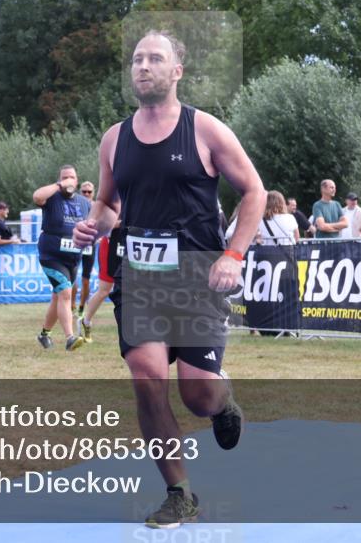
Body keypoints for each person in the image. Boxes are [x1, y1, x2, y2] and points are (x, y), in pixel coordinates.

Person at [73, 30, 265, 529]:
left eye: (155, 59)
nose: (143, 66)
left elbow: (255, 192)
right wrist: (93, 225)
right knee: (147, 380)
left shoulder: (205, 130)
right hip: (139, 281)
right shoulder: (115, 138)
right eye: (137, 58)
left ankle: (222, 399)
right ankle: (179, 492)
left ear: (177, 71)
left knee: (197, 395)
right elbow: (109, 204)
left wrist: (234, 255)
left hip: (198, 278)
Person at [34, 166, 91, 351]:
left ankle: (44, 334)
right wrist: (59, 185)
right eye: (65, 177)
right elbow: (37, 197)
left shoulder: (84, 202)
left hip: (73, 258)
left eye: (71, 177)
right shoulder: (52, 197)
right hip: (51, 255)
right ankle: (70, 338)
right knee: (66, 293)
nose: (68, 180)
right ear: (59, 179)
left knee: (58, 296)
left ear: (77, 180)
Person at [79, 219, 125, 343]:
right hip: (111, 247)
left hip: (130, 246)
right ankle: (86, 321)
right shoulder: (116, 206)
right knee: (104, 291)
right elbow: (105, 225)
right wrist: (125, 222)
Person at [75, 181, 97, 315]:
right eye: (84, 191)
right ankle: (71, 306)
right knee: (71, 278)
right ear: (80, 192)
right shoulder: (75, 204)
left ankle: (81, 308)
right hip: (75, 243)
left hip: (90, 245)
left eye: (89, 192)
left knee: (86, 280)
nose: (87, 194)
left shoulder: (97, 207)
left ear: (93, 193)